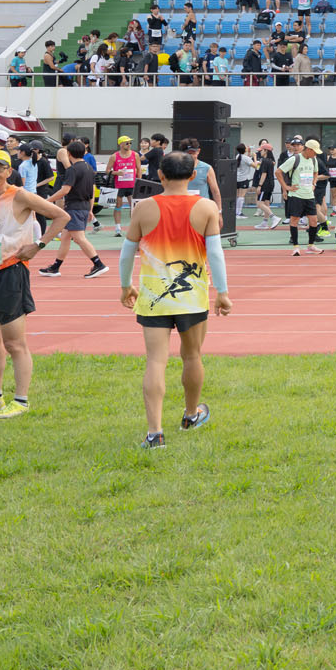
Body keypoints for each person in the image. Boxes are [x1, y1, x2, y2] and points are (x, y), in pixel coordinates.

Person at [117, 151, 231, 449]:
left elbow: (126, 253)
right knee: (192, 356)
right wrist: (222, 292)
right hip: (192, 297)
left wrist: (125, 286)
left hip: (154, 296)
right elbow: (215, 254)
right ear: (193, 175)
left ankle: (154, 433)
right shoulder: (206, 207)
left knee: (155, 360)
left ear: (160, 175)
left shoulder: (143, 208)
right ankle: (191, 415)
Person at [0, 149, 71, 420]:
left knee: (14, 343)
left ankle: (21, 401)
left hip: (10, 273)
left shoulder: (20, 195)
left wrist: (38, 245)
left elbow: (62, 216)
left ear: (8, 171)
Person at [35, 139, 108, 279]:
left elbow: (65, 190)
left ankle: (98, 264)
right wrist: (90, 209)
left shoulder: (72, 170)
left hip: (74, 207)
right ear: (84, 152)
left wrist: (47, 201)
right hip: (83, 206)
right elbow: (92, 191)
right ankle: (55, 267)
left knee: (79, 238)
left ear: (68, 153)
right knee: (65, 237)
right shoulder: (89, 168)